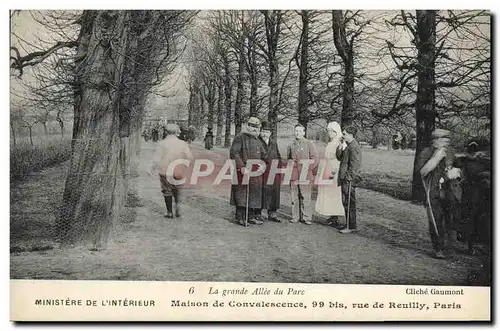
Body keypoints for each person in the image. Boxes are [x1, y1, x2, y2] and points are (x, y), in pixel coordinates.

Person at [415, 129, 460, 259]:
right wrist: (435, 158)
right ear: (435, 140)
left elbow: (457, 168)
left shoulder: (450, 152)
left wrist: (457, 172)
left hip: (449, 191)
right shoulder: (426, 152)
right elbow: (422, 172)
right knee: (436, 220)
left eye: (448, 140)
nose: (447, 142)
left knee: (450, 220)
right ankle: (438, 248)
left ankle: (450, 248)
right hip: (432, 191)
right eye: (444, 140)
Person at [149, 123, 193, 219]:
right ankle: (177, 206)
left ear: (166, 132)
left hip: (165, 170)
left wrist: (152, 169)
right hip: (179, 170)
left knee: (167, 190)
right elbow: (189, 157)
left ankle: (169, 212)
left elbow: (157, 158)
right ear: (176, 132)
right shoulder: (183, 143)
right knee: (177, 188)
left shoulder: (162, 143)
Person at [229, 117, 266, 226]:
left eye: (256, 127)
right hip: (243, 170)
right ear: (248, 126)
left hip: (255, 172)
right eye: (252, 126)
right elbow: (234, 153)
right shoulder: (240, 138)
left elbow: (264, 154)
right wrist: (241, 166)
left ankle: (250, 216)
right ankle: (240, 217)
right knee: (242, 193)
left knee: (253, 194)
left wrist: (262, 165)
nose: (254, 129)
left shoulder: (258, 139)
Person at [287, 124, 318, 225]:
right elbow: (289, 159)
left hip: (305, 173)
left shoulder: (309, 144)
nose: (298, 133)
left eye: (300, 131)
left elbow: (315, 159)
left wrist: (307, 168)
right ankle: (295, 216)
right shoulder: (291, 145)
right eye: (296, 131)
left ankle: (307, 217)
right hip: (294, 174)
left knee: (306, 196)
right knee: (294, 196)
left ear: (304, 132)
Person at [315, 122, 344, 226]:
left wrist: (334, 171)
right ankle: (332, 216)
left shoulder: (339, 143)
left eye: (332, 131)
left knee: (334, 193)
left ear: (336, 132)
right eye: (328, 131)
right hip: (327, 168)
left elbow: (339, 158)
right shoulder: (331, 142)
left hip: (334, 170)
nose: (329, 133)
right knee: (327, 192)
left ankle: (335, 216)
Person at [336, 125, 362, 234]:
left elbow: (355, 165)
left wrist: (348, 178)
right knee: (346, 201)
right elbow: (339, 157)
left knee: (349, 202)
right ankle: (349, 223)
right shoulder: (348, 145)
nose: (343, 135)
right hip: (345, 178)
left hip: (348, 180)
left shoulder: (354, 146)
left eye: (344, 134)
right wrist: (341, 145)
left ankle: (351, 226)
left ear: (351, 135)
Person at [259, 121, 283, 223]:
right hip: (262, 171)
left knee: (274, 192)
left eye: (267, 132)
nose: (265, 134)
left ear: (270, 133)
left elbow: (278, 155)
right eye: (263, 131)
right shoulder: (258, 141)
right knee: (261, 191)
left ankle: (272, 213)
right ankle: (258, 213)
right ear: (260, 131)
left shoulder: (273, 142)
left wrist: (279, 166)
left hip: (273, 170)